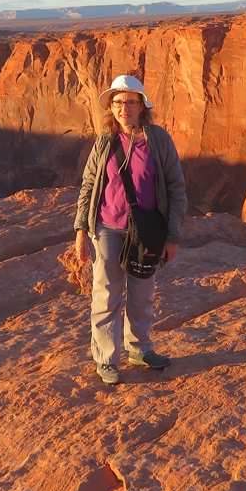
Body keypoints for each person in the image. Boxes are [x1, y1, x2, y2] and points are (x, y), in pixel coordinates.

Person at [75, 74, 187, 385]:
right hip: (108, 228)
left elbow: (177, 188)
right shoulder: (105, 142)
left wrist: (173, 237)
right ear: (111, 108)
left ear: (141, 106)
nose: (124, 108)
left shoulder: (159, 140)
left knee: (142, 294)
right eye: (118, 102)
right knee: (106, 295)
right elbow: (88, 186)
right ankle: (106, 359)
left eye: (131, 102)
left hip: (147, 230)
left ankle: (139, 349)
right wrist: (81, 230)